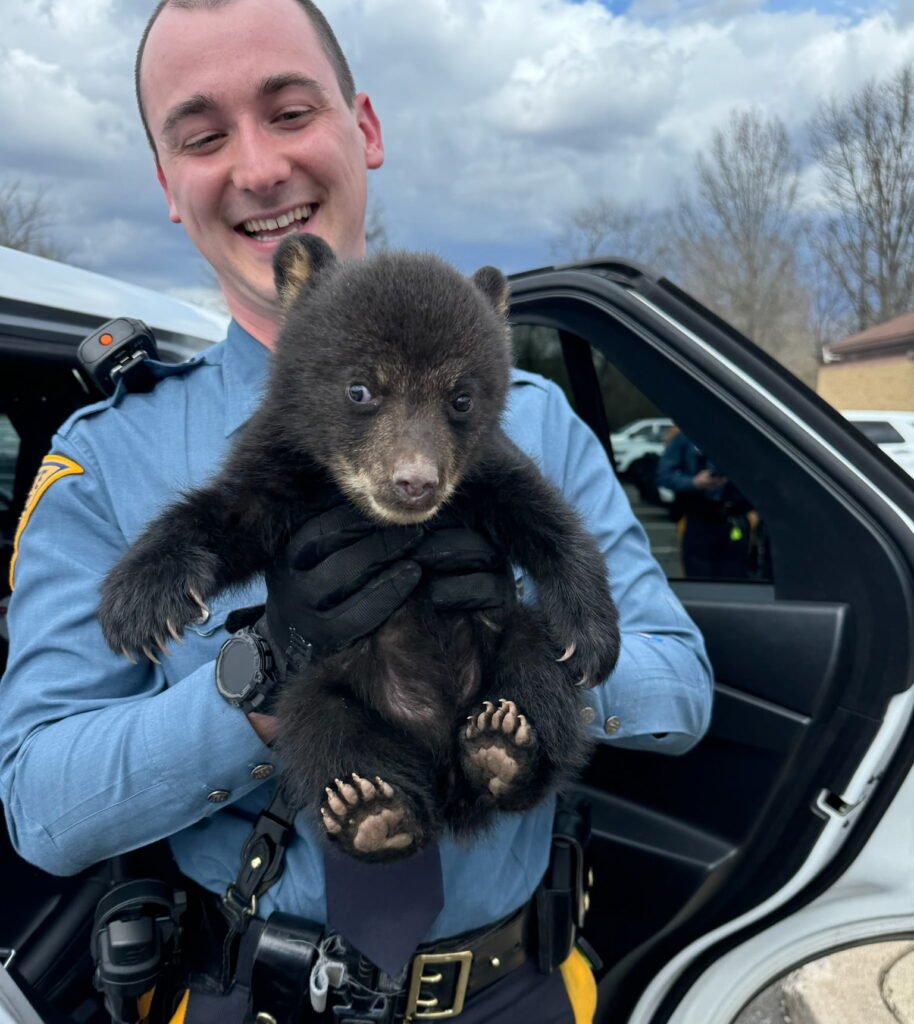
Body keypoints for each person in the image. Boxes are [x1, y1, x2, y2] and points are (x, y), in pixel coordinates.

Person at [0, 1, 713, 1021]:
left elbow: (677, 689)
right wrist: (253, 689)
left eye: (289, 111)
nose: (256, 169)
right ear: (165, 181)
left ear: (363, 127)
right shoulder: (109, 456)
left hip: (513, 988)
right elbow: (40, 804)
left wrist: (534, 653)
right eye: (203, 136)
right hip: (248, 990)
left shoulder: (535, 426)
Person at [655, 429, 753, 579]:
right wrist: (694, 482)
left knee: (735, 581)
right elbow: (664, 475)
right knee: (699, 580)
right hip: (700, 520)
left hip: (734, 520)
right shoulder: (685, 439)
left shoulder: (744, 438)